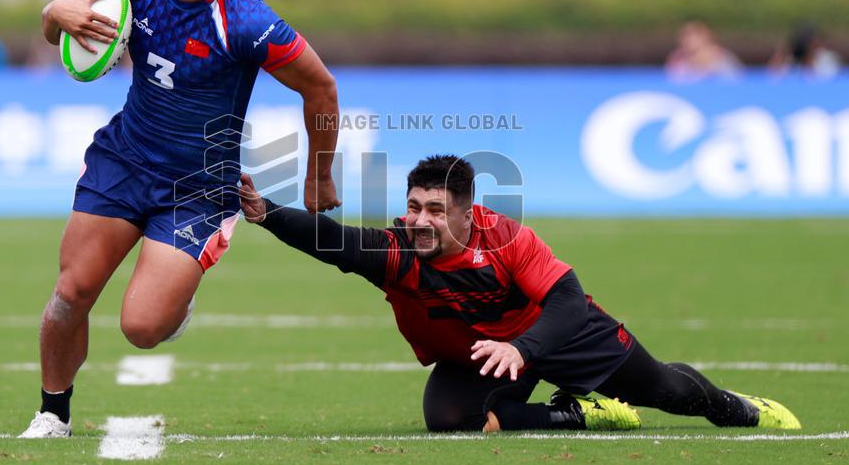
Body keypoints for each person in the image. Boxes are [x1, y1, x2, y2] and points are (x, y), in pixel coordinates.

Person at [20, 0, 341, 438]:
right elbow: (63, 34)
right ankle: (52, 412)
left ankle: (175, 300)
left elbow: (321, 88)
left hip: (198, 186)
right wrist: (55, 11)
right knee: (71, 293)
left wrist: (318, 175)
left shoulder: (245, 21)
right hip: (123, 160)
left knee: (143, 328)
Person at [238, 154, 801, 433]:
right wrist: (267, 215)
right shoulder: (398, 251)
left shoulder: (507, 240)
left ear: (467, 212)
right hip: (485, 354)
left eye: (436, 210)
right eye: (414, 207)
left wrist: (525, 349)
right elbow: (335, 241)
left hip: (555, 336)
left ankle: (740, 409)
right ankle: (580, 414)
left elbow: (569, 303)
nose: (420, 221)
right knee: (449, 419)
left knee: (666, 390)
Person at [665, 20, 742, 82]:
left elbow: (736, 82)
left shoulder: (723, 57)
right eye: (685, 34)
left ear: (708, 35)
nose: (689, 39)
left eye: (695, 34)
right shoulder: (677, 59)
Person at [768, 24, 841, 79]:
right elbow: (773, 78)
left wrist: (810, 65)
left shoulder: (827, 59)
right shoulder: (791, 61)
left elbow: (832, 80)